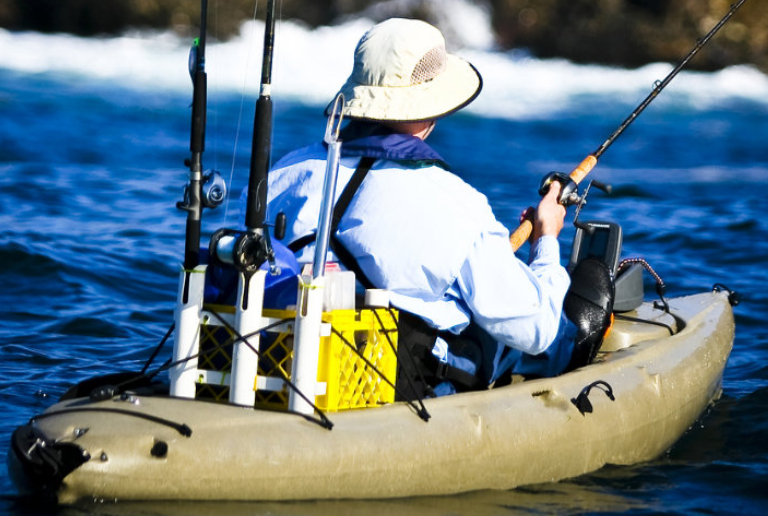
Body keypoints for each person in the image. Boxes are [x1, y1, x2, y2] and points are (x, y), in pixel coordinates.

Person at [259, 18, 613, 398]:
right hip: (395, 386)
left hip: (276, 359)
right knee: (529, 334)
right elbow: (536, 329)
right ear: (429, 109)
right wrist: (545, 241)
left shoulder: (284, 171)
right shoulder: (456, 202)